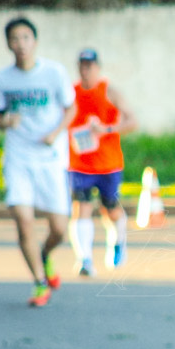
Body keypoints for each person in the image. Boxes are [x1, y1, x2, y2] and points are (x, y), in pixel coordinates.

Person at [0, 16, 76, 307]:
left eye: (26, 38)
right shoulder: (2, 79)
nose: (21, 44)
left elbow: (71, 107)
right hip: (18, 156)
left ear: (34, 41)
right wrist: (5, 121)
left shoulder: (54, 73)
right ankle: (40, 283)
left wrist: (56, 132)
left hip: (50, 157)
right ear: (8, 44)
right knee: (24, 221)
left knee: (59, 228)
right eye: (15, 38)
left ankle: (44, 255)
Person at [67, 48, 138, 275]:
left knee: (110, 208)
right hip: (79, 163)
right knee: (81, 207)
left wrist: (106, 129)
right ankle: (85, 259)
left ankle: (118, 239)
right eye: (82, 65)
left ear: (98, 67)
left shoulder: (109, 91)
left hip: (108, 163)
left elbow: (132, 121)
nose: (86, 70)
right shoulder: (71, 92)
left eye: (90, 65)